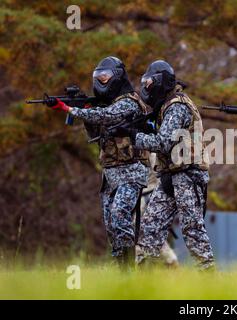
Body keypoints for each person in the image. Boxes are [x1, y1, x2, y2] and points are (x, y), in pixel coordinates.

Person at [48, 56, 151, 267]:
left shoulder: (130, 102)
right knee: (111, 223)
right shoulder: (107, 104)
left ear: (118, 77)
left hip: (131, 170)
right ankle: (119, 268)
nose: (101, 81)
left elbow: (106, 116)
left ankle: (128, 269)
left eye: (105, 77)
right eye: (98, 77)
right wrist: (85, 109)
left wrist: (70, 109)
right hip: (110, 173)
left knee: (120, 214)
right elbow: (96, 134)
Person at [112, 60, 215, 270]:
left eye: (151, 82)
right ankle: (144, 281)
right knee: (150, 228)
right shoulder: (165, 107)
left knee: (192, 230)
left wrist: (133, 135)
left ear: (162, 83)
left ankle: (210, 278)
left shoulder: (177, 106)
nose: (147, 86)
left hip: (188, 176)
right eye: (146, 82)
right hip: (170, 176)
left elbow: (163, 143)